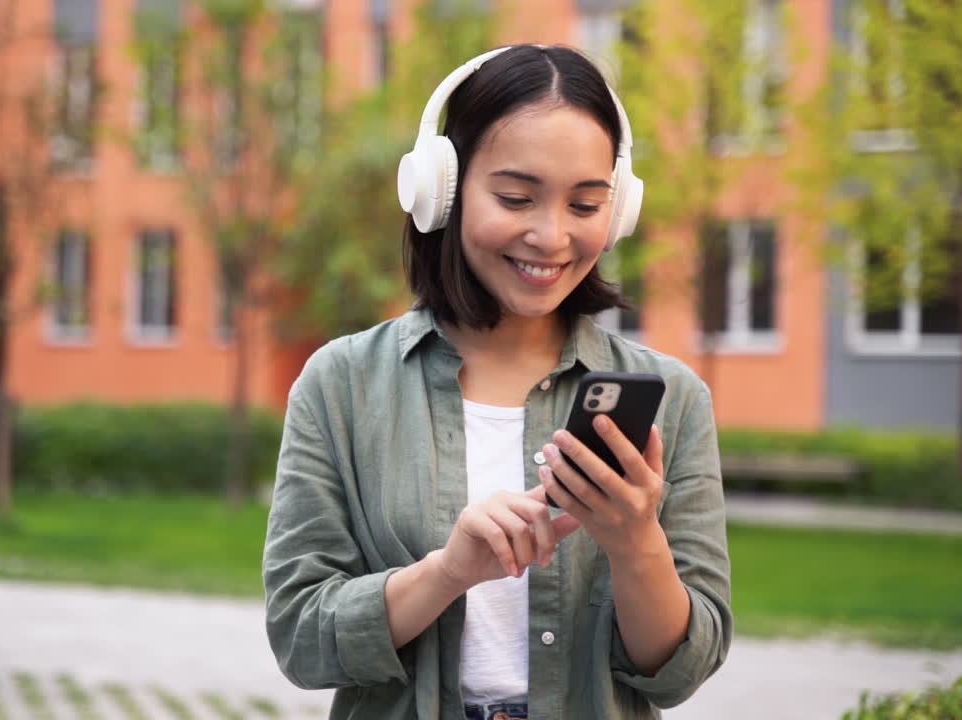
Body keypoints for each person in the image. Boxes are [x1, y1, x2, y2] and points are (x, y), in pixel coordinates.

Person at [263, 44, 730, 720]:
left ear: (619, 208)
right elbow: (302, 639)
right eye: (516, 197)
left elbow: (680, 671)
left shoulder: (672, 397)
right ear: (440, 190)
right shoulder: (342, 386)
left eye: (585, 204)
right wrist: (446, 573)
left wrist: (636, 544)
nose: (551, 235)